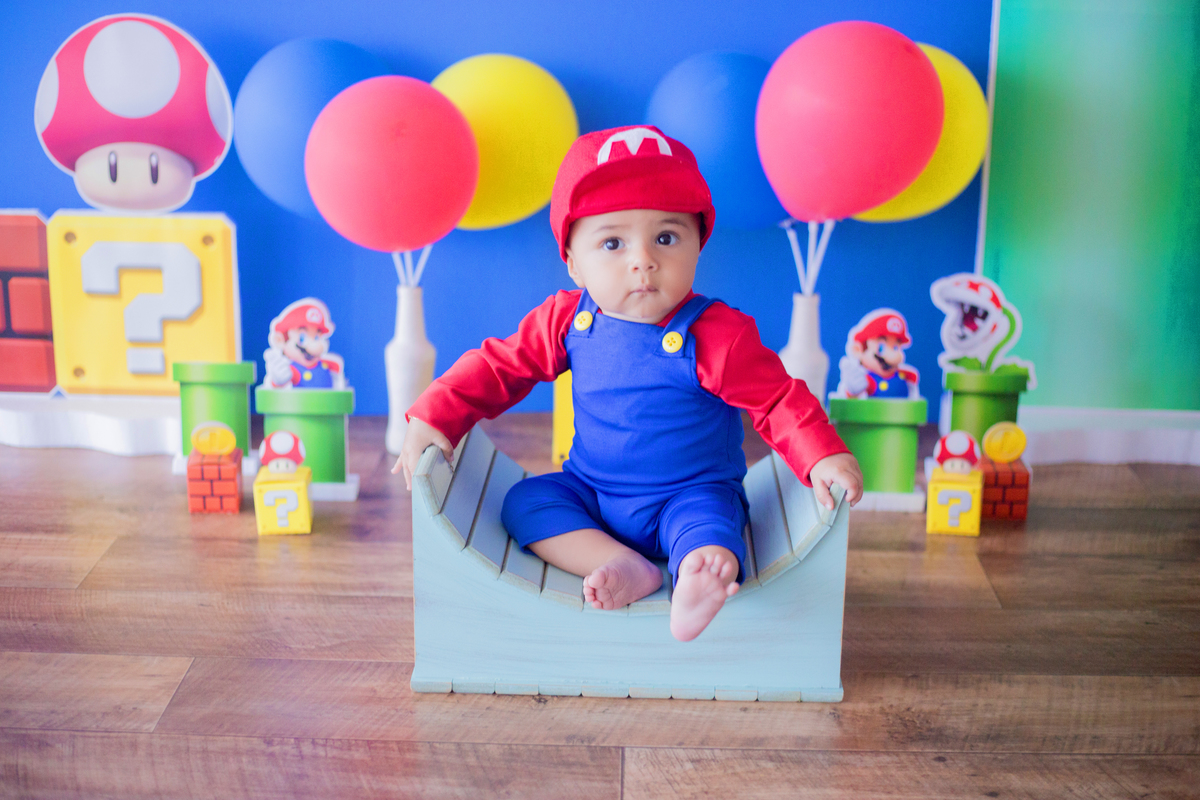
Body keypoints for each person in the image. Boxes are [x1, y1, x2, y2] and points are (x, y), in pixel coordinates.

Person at [395, 125, 862, 642]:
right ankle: (621, 563)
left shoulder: (715, 334)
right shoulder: (568, 321)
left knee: (713, 529)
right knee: (524, 505)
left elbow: (777, 399)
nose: (643, 260)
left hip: (690, 493)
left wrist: (819, 452)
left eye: (666, 237)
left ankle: (699, 574)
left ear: (697, 247)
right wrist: (432, 415)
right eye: (612, 242)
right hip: (593, 491)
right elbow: (497, 367)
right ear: (573, 262)